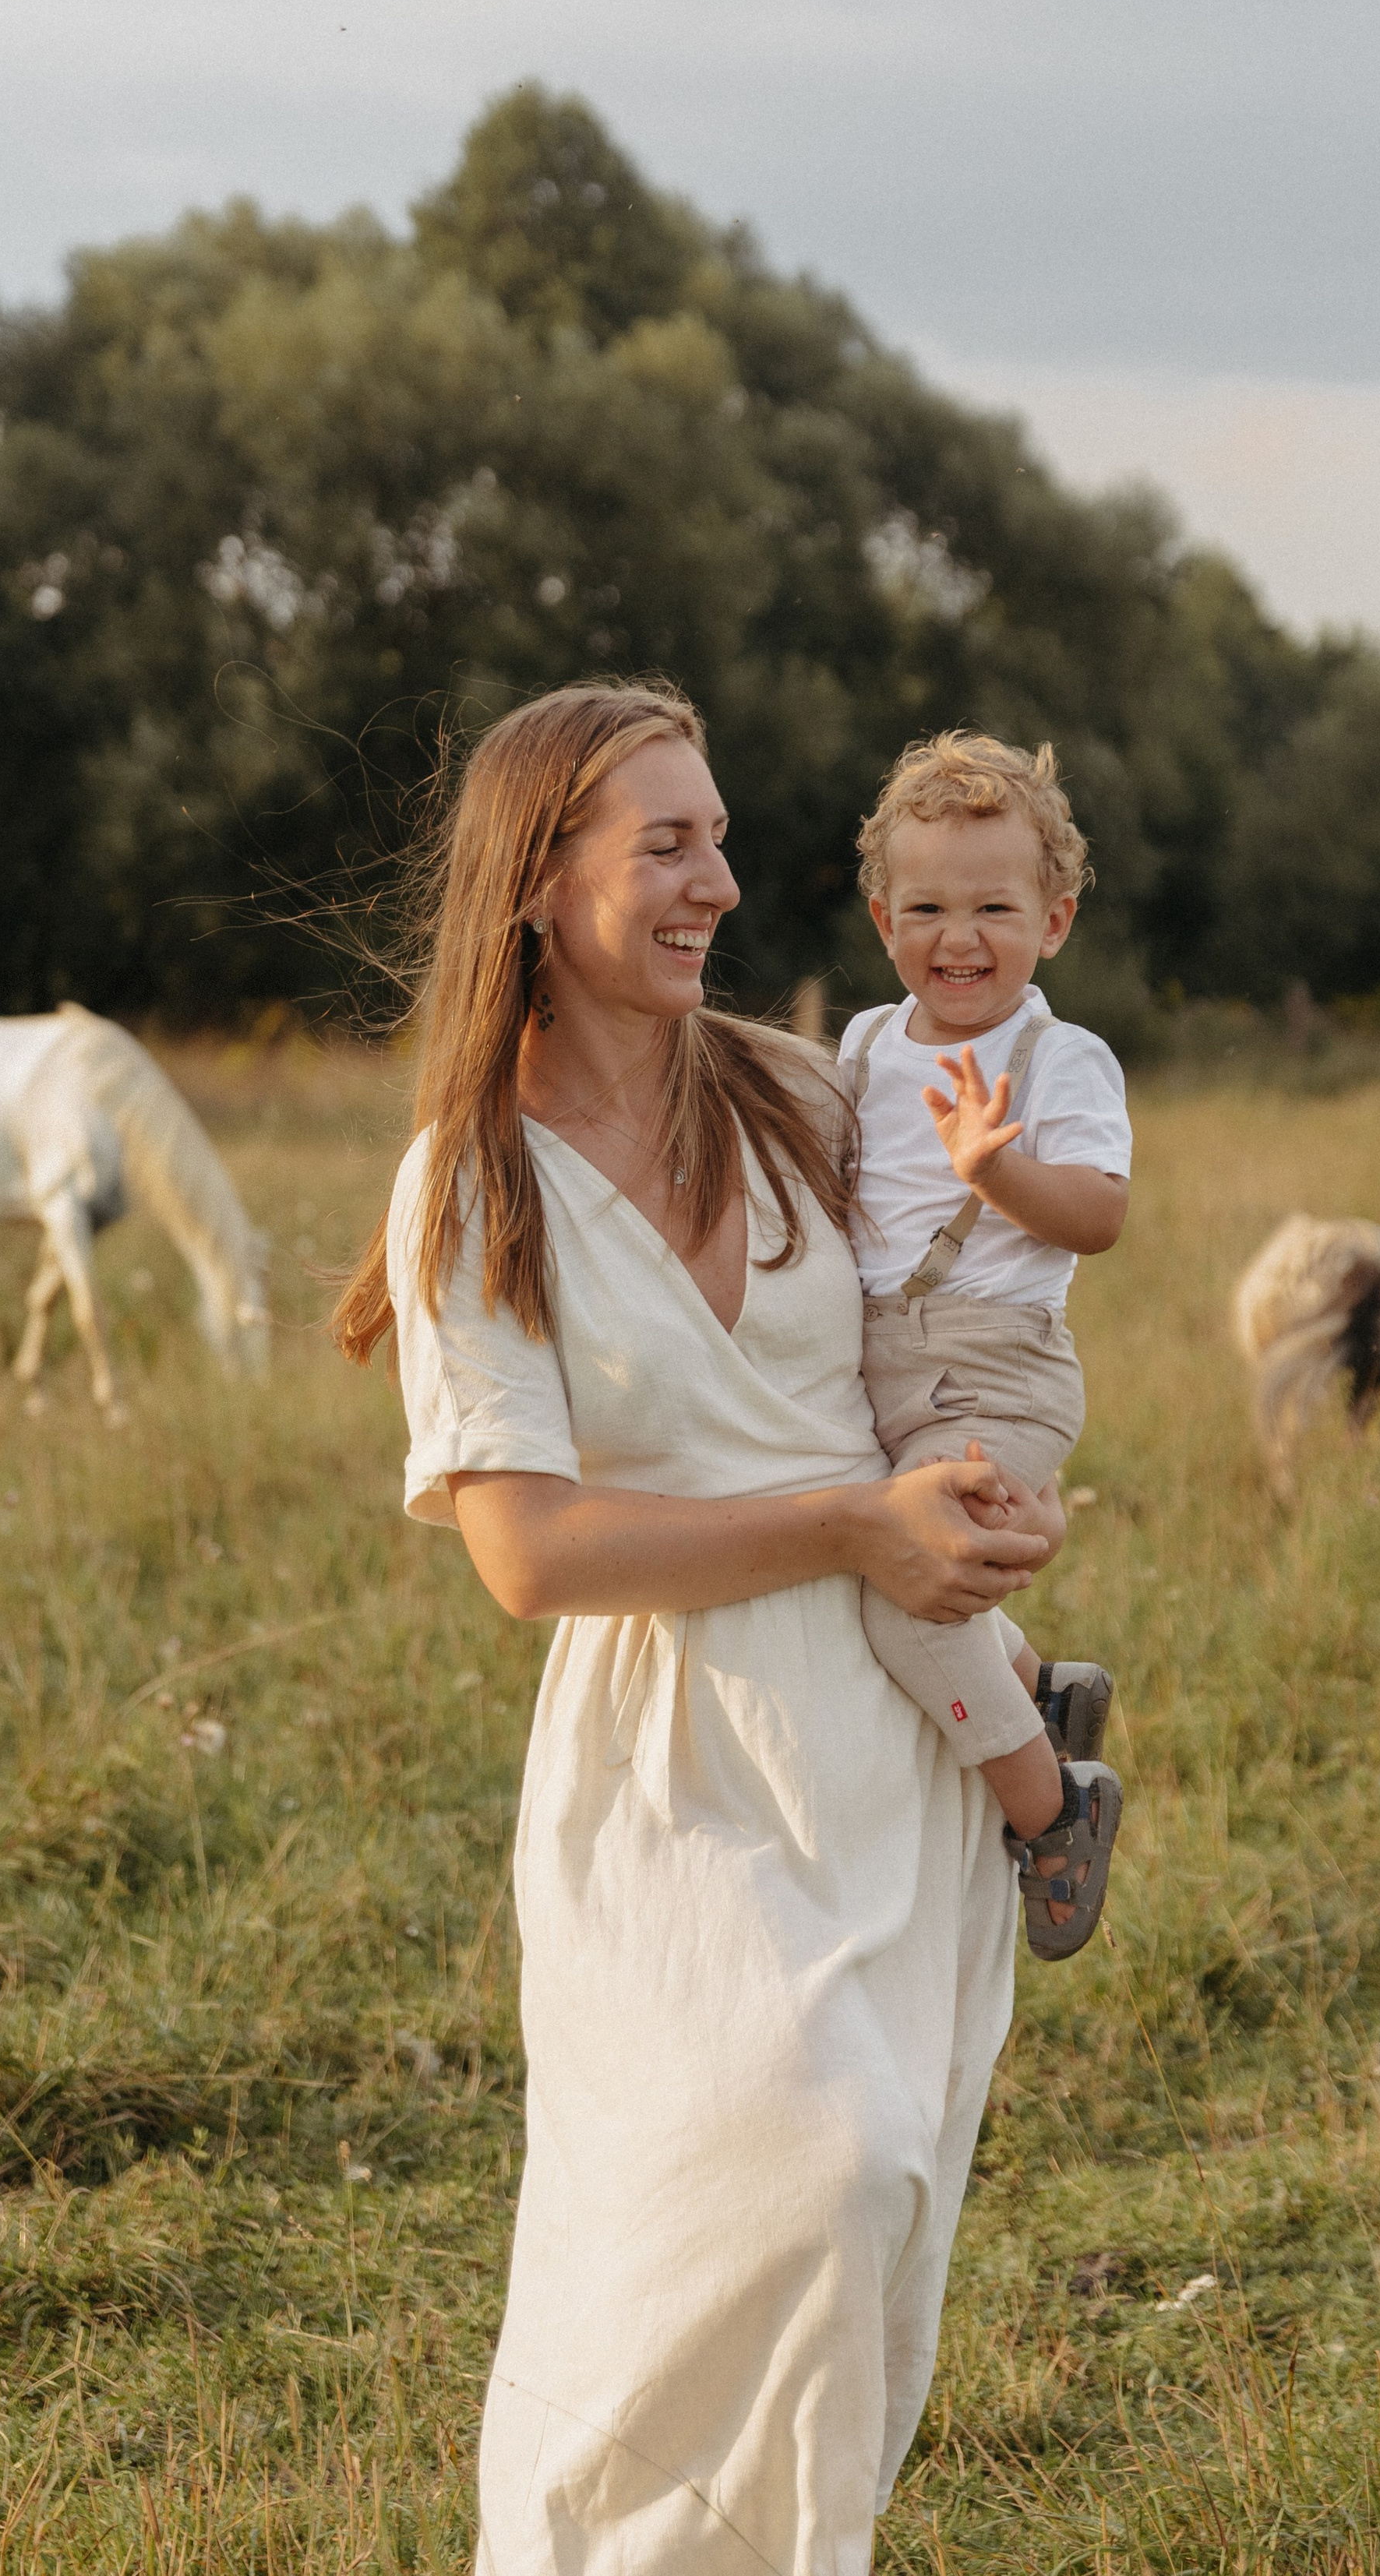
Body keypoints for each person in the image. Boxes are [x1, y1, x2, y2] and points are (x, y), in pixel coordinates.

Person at [337, 682, 1068, 2576]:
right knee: (751, 2192)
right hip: (675, 1756)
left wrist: (994, 1493)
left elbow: (964, 1315)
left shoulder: (799, 1087)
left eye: (719, 839)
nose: (721, 883)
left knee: (864, 2234)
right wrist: (843, 1520)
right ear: (535, 878)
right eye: (668, 844)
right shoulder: (472, 1180)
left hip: (886, 1744)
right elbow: (527, 1553)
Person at [842, 731, 1131, 1957]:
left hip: (999, 1358)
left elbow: (1101, 1214)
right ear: (881, 914)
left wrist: (995, 1168)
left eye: (994, 908)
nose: (959, 937)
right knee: (886, 1556)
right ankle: (1037, 1688)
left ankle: (1051, 1804)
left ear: (1054, 920)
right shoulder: (861, 1045)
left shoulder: (1057, 1058)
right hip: (876, 1357)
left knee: (912, 1594)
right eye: (928, 907)